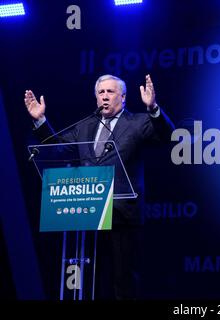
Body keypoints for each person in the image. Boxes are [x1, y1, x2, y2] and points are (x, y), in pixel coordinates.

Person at [24, 74, 174, 299]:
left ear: (123, 97)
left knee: (122, 280)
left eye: (110, 92)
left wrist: (153, 108)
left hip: (122, 213)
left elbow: (167, 135)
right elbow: (56, 149)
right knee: (91, 277)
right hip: (88, 213)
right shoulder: (84, 126)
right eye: (100, 92)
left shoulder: (137, 122)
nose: (104, 96)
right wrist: (40, 121)